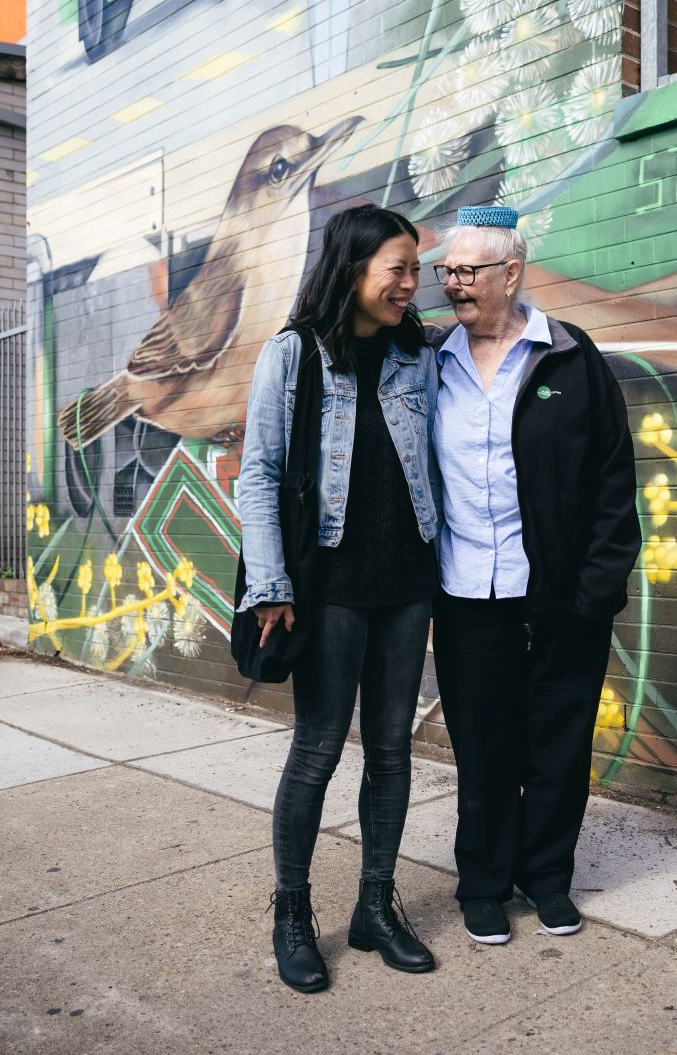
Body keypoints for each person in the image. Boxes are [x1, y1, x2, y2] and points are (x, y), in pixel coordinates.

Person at [237, 203, 440, 993]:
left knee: (391, 751)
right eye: (398, 269)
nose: (411, 283)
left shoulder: (416, 355)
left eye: (415, 269)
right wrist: (271, 585)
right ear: (352, 270)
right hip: (329, 592)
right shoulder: (293, 355)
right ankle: (292, 912)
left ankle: (375, 908)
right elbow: (258, 473)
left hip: (407, 586)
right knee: (318, 749)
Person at [429, 203, 640, 947]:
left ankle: (547, 878)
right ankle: (484, 883)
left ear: (511, 272)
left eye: (466, 271)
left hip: (560, 593)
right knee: (482, 746)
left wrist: (597, 589)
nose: (452, 283)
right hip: (465, 592)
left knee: (559, 743)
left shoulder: (571, 358)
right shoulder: (429, 361)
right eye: (446, 270)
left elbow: (614, 477)